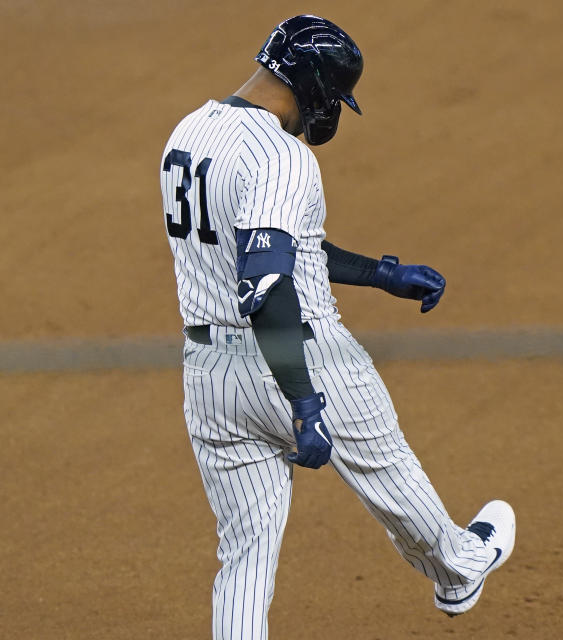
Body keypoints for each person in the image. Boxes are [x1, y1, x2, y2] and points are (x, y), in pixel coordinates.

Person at [159, 15, 515, 639]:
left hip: (210, 376)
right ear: (318, 90)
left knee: (244, 560)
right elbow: (267, 286)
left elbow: (271, 251)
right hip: (300, 354)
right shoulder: (281, 155)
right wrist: (302, 399)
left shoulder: (189, 132)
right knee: (389, 473)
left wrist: (380, 273)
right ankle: (458, 569)